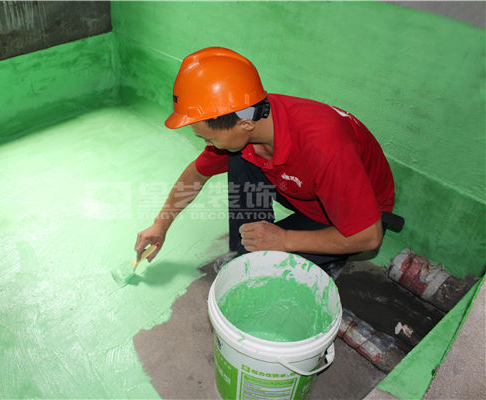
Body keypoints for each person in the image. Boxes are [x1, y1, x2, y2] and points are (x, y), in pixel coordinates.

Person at [134, 46, 398, 274]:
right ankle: (249, 248)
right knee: (239, 158)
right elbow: (197, 173)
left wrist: (284, 239)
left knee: (266, 273)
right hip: (304, 192)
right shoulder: (249, 117)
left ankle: (327, 261)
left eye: (209, 138)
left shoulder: (324, 148)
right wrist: (160, 224)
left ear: (245, 124)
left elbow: (368, 237)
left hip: (355, 217)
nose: (208, 145)